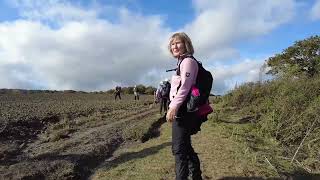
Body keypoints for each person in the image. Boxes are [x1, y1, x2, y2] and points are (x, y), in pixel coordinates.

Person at [166, 32, 202, 180]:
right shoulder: (181, 62)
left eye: (178, 43)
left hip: (183, 112)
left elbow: (185, 87)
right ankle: (196, 177)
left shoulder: (187, 61)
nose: (175, 46)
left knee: (179, 150)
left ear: (186, 44)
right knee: (185, 147)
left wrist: (173, 107)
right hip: (183, 110)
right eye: (172, 44)